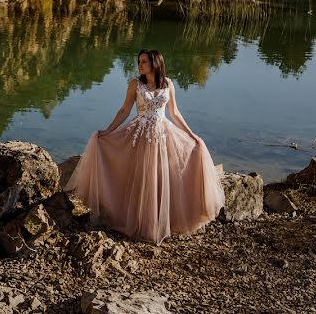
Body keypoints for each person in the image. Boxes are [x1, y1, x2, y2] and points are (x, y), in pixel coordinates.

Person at [66, 49, 224, 244]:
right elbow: (125, 110)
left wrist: (191, 135)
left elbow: (174, 112)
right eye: (139, 62)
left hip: (164, 134)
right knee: (141, 177)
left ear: (155, 63)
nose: (139, 65)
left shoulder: (168, 84)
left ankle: (161, 221)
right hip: (140, 135)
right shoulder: (135, 84)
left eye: (143, 62)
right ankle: (139, 221)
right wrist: (107, 131)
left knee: (163, 176)